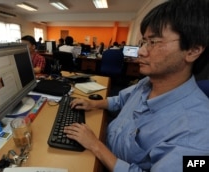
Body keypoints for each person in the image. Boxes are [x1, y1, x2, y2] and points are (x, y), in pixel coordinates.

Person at [63, 0, 209, 171]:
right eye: (144, 42)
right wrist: (94, 103)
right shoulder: (148, 82)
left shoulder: (196, 133)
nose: (141, 51)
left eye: (153, 42)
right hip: (101, 149)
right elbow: (120, 100)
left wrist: (96, 145)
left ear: (192, 51)